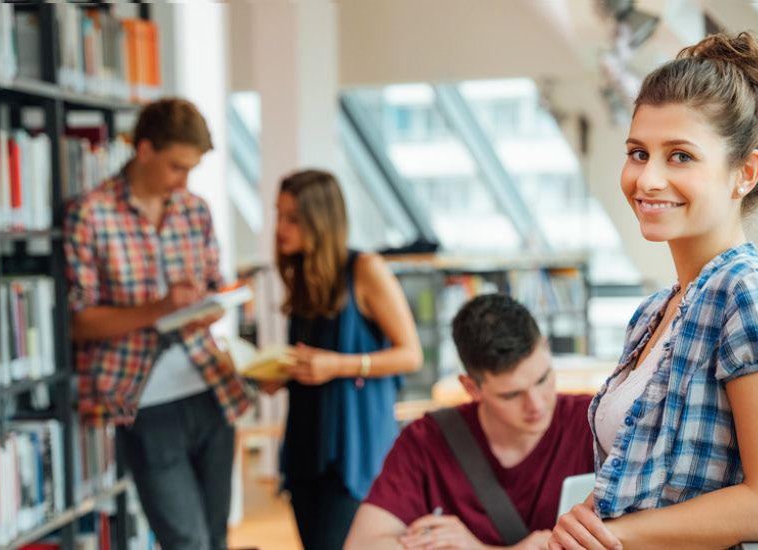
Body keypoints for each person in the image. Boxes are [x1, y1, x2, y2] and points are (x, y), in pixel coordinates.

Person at [550, 31, 758, 550]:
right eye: (638, 152)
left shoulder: (751, 297)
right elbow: (644, 483)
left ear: (745, 173)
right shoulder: (657, 311)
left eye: (680, 157)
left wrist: (619, 535)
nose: (647, 179)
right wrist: (586, 521)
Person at [64, 98, 252, 550]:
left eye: (191, 169)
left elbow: (214, 290)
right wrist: (158, 309)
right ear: (143, 149)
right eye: (175, 167)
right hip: (143, 401)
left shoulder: (194, 211)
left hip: (209, 389)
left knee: (215, 536)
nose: (183, 181)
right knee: (185, 540)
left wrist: (211, 303)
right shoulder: (91, 215)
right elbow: (78, 323)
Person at [346, 294, 595, 550]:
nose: (537, 404)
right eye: (511, 394)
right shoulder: (426, 440)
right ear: (471, 387)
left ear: (546, 348)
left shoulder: (595, 421)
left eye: (543, 379)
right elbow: (361, 545)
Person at [263, 169, 424, 550]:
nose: (280, 227)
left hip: (353, 449)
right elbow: (313, 357)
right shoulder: (302, 273)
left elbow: (410, 354)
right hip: (307, 445)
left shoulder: (365, 270)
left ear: (321, 221)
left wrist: (338, 365)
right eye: (279, 214)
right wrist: (281, 373)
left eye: (293, 218)